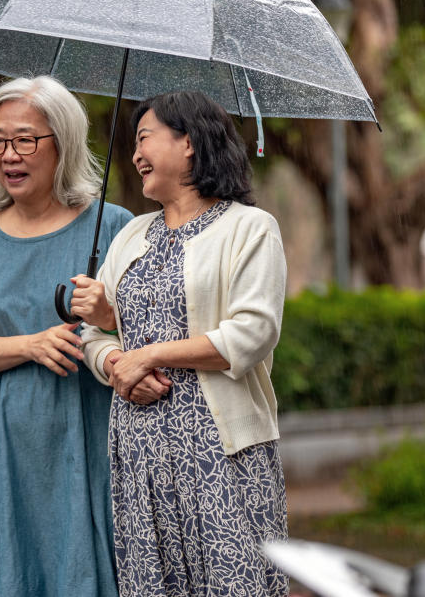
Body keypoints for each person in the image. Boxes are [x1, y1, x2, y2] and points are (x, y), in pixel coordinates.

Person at [72, 90, 289, 597]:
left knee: (236, 584)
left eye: (144, 138)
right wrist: (113, 356)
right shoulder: (132, 236)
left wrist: (148, 355)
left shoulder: (250, 229)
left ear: (188, 142)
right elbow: (95, 335)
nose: (134, 155)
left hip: (221, 454)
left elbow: (252, 332)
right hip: (139, 451)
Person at [0, 75, 132, 597]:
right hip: (9, 453)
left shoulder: (114, 228)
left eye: (25, 139)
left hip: (94, 446)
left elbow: (153, 336)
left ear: (62, 144)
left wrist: (110, 315)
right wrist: (30, 344)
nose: (8, 155)